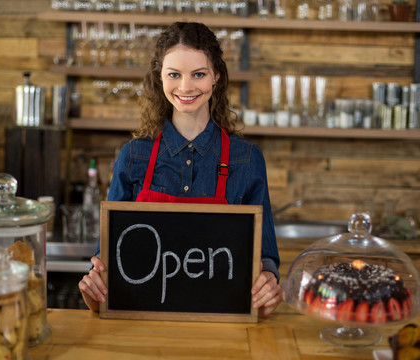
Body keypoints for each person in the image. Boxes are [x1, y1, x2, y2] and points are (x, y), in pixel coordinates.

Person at [79, 21, 283, 317]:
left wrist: (269, 281)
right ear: (159, 78)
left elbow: (265, 257)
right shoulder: (133, 156)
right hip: (142, 329)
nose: (186, 87)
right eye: (174, 74)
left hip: (225, 328)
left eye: (198, 74)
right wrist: (94, 286)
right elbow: (108, 260)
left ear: (216, 77)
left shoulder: (247, 159)